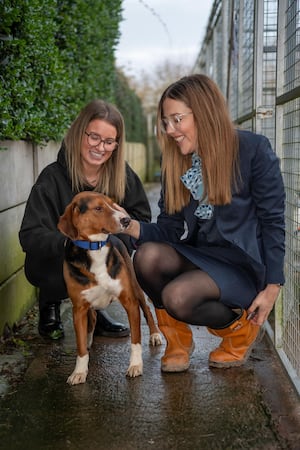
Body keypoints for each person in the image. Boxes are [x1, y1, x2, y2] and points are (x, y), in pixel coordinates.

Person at [117, 74, 285, 373]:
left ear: (204, 111)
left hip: (242, 265)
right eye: (165, 122)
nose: (170, 130)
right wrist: (129, 226)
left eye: (176, 119)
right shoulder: (177, 160)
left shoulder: (253, 150)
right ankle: (177, 341)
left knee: (178, 296)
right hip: (203, 256)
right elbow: (168, 229)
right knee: (146, 256)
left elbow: (273, 221)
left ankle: (239, 332)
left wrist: (273, 286)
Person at [19, 99, 151, 340]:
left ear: (116, 144)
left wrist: (123, 224)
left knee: (112, 256)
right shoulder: (52, 177)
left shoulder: (123, 174)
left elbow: (143, 219)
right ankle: (49, 302)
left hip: (102, 259)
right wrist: (72, 243)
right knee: (58, 265)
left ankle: (97, 312)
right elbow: (29, 235)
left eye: (109, 141)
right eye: (94, 137)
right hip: (59, 263)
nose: (100, 147)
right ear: (80, 133)